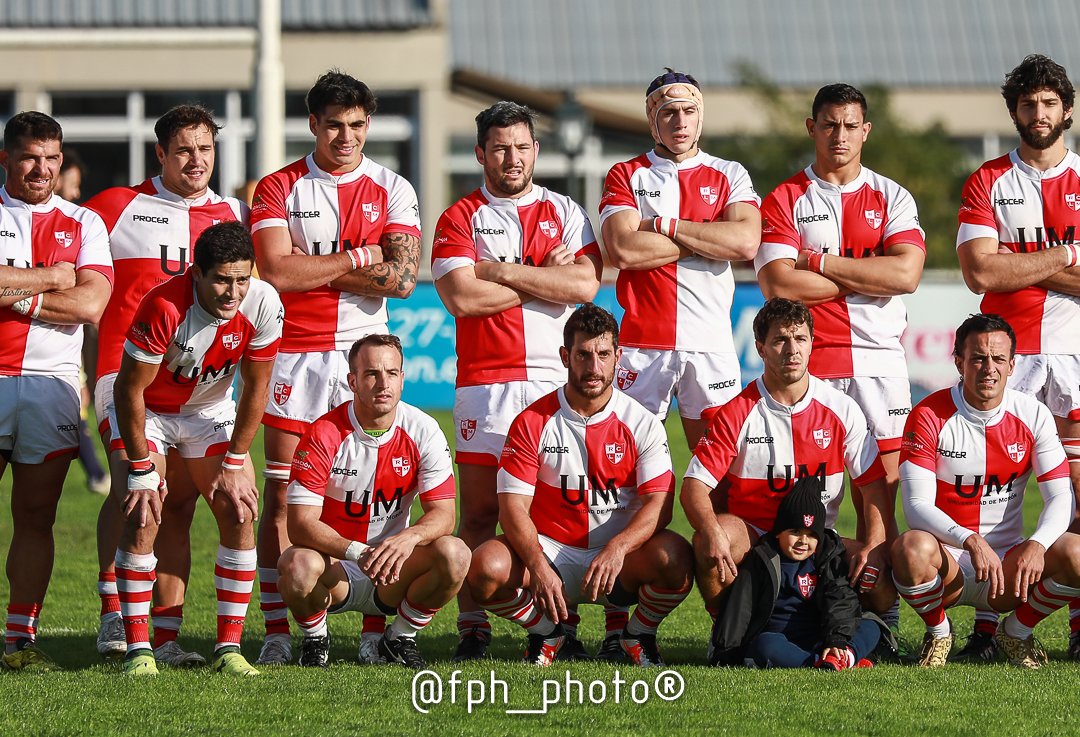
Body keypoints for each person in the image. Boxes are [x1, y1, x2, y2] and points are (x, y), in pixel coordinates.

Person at [251, 69, 422, 665]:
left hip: (365, 354)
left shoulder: (394, 186)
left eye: (356, 126)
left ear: (367, 124)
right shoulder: (278, 187)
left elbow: (401, 280)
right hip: (294, 358)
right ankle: (280, 629)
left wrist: (313, 264)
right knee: (280, 502)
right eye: (333, 126)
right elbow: (274, 271)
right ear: (312, 125)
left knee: (374, 493)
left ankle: (375, 630)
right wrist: (358, 255)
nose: (345, 137)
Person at [431, 101, 603, 661]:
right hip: (487, 383)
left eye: (522, 146)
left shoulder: (567, 210)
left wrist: (503, 272)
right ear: (481, 152)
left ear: (536, 150)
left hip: (557, 384)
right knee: (481, 512)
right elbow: (461, 296)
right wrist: (546, 278)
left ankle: (556, 627)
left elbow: (585, 288)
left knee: (553, 511)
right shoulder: (459, 217)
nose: (512, 157)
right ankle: (473, 625)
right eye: (500, 147)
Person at [754, 83, 926, 635]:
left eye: (851, 125)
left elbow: (905, 275)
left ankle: (886, 615)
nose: (841, 136)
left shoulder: (893, 196)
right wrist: (864, 273)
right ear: (812, 128)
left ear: (866, 131)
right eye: (830, 124)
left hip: (879, 364)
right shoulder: (784, 199)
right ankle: (802, 607)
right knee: (813, 495)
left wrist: (819, 262)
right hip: (816, 362)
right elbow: (780, 282)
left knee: (880, 493)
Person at [83, 104, 249, 666]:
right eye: (183, 150)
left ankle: (167, 636)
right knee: (139, 496)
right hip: (124, 378)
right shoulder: (114, 207)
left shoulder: (232, 214)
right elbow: (80, 274)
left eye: (205, 149)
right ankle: (114, 614)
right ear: (160, 154)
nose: (196, 160)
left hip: (200, 391)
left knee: (180, 508)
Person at [467, 304, 694, 667]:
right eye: (583, 355)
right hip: (553, 555)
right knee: (483, 567)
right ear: (565, 357)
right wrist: (538, 565)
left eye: (603, 355)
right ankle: (547, 633)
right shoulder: (532, 421)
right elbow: (512, 508)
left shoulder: (642, 422)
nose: (594, 367)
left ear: (618, 357)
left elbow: (660, 504)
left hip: (620, 561)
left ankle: (637, 635)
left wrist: (618, 547)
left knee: (677, 558)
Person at [110, 222, 281, 676]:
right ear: (197, 274)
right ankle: (139, 650)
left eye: (242, 278)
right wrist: (143, 469)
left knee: (240, 506)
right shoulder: (165, 305)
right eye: (222, 279)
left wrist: (236, 460)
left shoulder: (263, 303)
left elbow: (256, 388)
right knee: (145, 511)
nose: (233, 291)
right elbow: (129, 390)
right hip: (150, 410)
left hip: (207, 411)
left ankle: (228, 649)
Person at [955, 54, 1080, 660]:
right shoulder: (988, 180)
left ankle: (1060, 627)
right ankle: (984, 627)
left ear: (1067, 109)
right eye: (1028, 104)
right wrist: (1063, 257)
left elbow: (1003, 266)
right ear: (1013, 112)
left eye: (1050, 103)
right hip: (1012, 354)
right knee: (991, 490)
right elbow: (981, 268)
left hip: (1076, 355)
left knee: (1077, 496)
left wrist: (1022, 265)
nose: (1039, 114)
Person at [680, 298, 895, 626]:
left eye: (800, 339)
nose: (791, 349)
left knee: (879, 578)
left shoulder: (842, 408)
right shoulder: (737, 411)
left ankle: (870, 629)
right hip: (755, 535)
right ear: (760, 348)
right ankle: (726, 633)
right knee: (709, 542)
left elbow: (874, 487)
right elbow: (693, 487)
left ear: (812, 344)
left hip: (818, 537)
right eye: (780, 339)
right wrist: (710, 530)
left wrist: (876, 545)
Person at [893, 313, 1080, 668]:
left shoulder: (1033, 414)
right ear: (959, 362)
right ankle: (938, 632)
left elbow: (1060, 498)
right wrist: (969, 540)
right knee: (909, 547)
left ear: (1013, 365)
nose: (988, 368)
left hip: (1009, 570)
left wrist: (1037, 545)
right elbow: (915, 505)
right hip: (950, 562)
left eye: (997, 359)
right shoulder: (929, 414)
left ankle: (1016, 631)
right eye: (977, 358)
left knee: (1077, 552)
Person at [277, 334, 468, 670]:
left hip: (393, 570)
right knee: (296, 565)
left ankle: (399, 638)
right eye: (371, 374)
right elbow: (300, 523)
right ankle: (316, 638)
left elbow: (444, 516)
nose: (383, 383)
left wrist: (408, 539)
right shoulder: (323, 433)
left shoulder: (424, 430)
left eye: (392, 373)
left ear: (403, 378)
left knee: (456, 554)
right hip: (337, 568)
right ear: (353, 381)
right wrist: (356, 551)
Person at [0, 111, 112, 671]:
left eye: (52, 159)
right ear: (6, 159)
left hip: (53, 387)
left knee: (37, 515)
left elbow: (91, 305)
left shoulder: (85, 222)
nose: (42, 169)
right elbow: (71, 287)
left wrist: (12, 290)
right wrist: (52, 276)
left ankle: (19, 642)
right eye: (29, 157)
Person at [599, 69, 761, 450]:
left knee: (719, 467)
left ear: (700, 115)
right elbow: (623, 249)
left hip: (711, 342)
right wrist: (707, 235)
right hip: (642, 344)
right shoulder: (626, 173)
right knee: (630, 468)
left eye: (689, 110)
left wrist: (661, 225)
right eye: (669, 112)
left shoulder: (729, 173)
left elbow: (744, 243)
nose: (681, 121)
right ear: (653, 121)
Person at [710, 476, 881, 669]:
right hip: (779, 638)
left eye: (811, 535)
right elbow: (741, 606)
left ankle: (843, 656)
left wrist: (836, 640)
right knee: (764, 645)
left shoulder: (828, 557)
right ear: (779, 532)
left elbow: (840, 599)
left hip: (820, 637)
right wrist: (725, 651)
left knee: (871, 625)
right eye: (795, 532)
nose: (803, 541)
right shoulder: (762, 558)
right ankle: (819, 662)